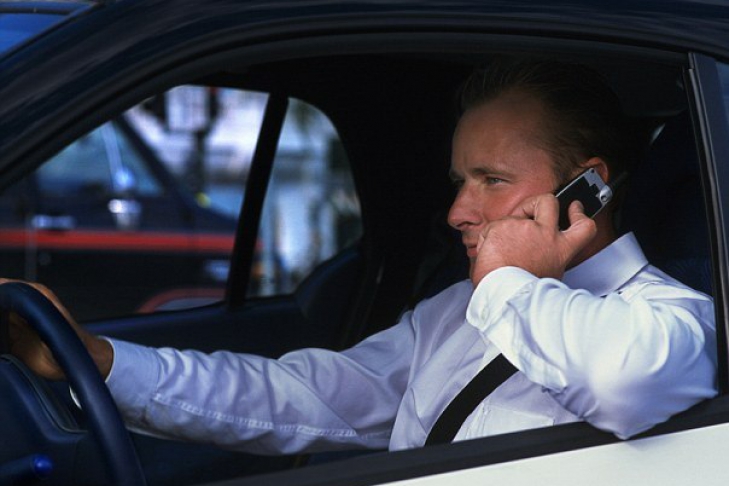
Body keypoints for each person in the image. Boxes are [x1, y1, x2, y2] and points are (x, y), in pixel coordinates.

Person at [6, 59, 717, 454]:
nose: (457, 212)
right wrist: (103, 361)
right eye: (459, 181)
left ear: (586, 190)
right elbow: (301, 398)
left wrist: (506, 279)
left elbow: (625, 385)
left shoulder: (676, 320)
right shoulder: (458, 311)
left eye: (491, 181)